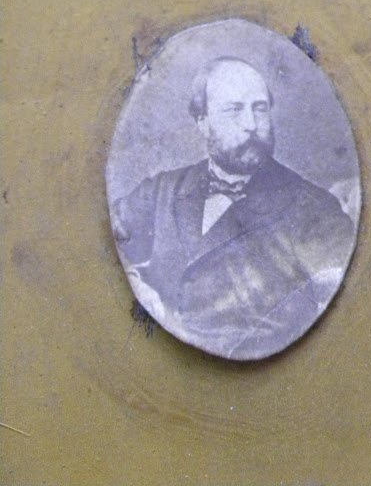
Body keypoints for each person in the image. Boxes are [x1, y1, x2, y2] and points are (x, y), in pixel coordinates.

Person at [112, 57, 354, 359]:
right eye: (234, 110)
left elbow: (345, 312)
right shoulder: (162, 190)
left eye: (259, 108)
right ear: (203, 121)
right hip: (157, 358)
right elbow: (102, 240)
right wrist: (139, 287)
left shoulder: (315, 209)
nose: (251, 125)